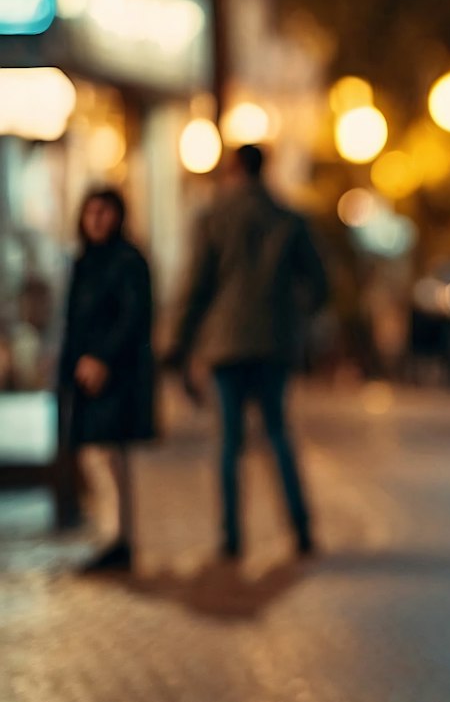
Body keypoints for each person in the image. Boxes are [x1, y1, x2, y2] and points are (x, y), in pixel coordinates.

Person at [164, 143, 329, 561]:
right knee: (277, 433)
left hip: (225, 344)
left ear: (234, 169)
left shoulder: (213, 218)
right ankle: (301, 529)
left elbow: (195, 285)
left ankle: (231, 537)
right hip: (275, 343)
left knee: (228, 441)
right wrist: (294, 316)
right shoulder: (289, 218)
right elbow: (321, 285)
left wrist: (176, 342)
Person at [58, 188, 155, 573]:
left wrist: (102, 358)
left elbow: (133, 317)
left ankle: (116, 539)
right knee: (94, 454)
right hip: (85, 373)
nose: (97, 219)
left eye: (104, 211)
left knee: (107, 454)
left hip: (113, 377)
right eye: (90, 212)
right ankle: (110, 534)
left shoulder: (127, 261)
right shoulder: (85, 261)